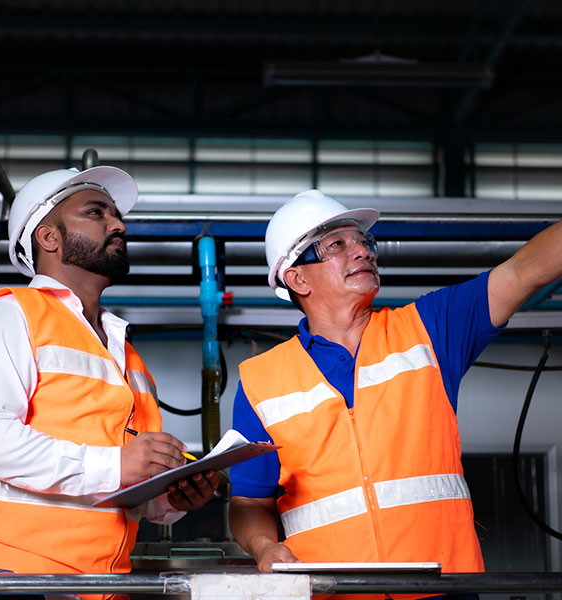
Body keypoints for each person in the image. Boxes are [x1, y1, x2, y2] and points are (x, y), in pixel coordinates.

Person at [229, 189, 562, 599]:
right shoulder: (260, 379)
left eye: (364, 242)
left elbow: (523, 271)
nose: (363, 252)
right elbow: (249, 502)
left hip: (444, 589)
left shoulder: (431, 328)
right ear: (297, 278)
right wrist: (265, 547)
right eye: (337, 244)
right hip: (333, 595)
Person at [0, 166, 219, 600]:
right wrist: (116, 465)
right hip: (13, 579)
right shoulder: (10, 313)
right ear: (50, 238)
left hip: (97, 586)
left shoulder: (126, 354)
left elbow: (127, 491)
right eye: (95, 212)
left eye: (115, 215)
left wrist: (173, 499)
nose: (118, 225)